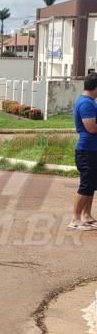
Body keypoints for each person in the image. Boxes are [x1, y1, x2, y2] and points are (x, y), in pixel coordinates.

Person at [70, 73, 97, 230]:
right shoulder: (86, 103)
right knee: (86, 185)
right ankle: (75, 218)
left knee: (92, 184)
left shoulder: (90, 102)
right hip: (87, 150)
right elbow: (91, 127)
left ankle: (86, 215)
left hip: (92, 149)